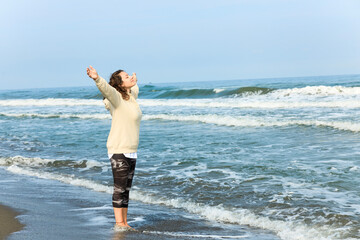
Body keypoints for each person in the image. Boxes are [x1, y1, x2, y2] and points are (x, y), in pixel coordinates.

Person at [86, 66, 142, 230]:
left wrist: (134, 81)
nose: (130, 77)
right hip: (119, 149)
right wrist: (97, 79)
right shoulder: (116, 98)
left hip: (132, 150)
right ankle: (119, 224)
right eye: (126, 76)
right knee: (119, 188)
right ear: (120, 83)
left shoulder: (131, 98)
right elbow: (107, 90)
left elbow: (134, 90)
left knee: (126, 189)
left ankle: (124, 222)